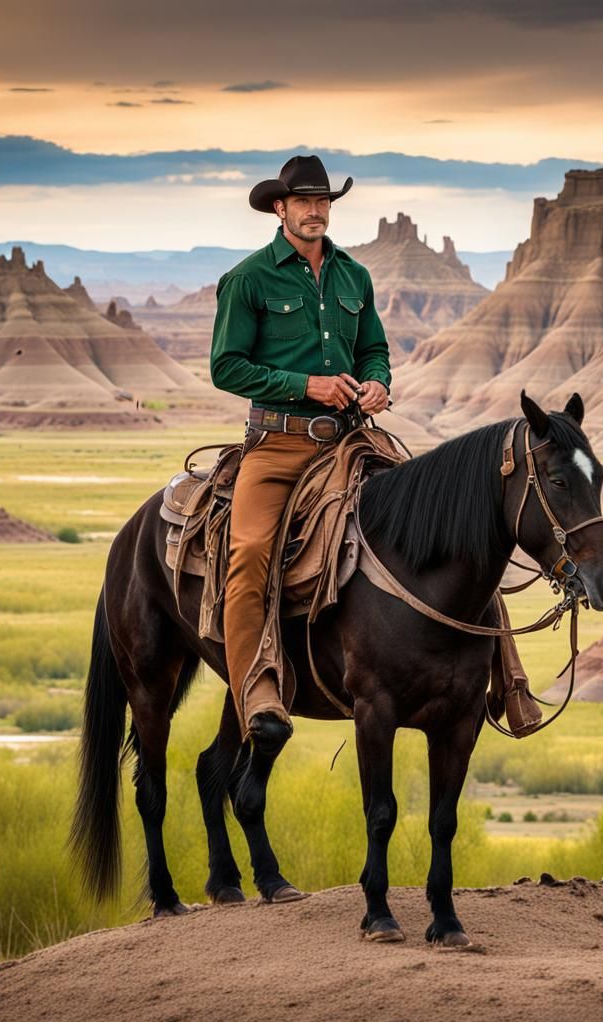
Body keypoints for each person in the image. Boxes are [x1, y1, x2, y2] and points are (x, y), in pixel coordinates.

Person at [210, 154, 392, 751]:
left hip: (350, 440)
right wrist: (305, 386)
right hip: (280, 445)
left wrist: (377, 382)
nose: (316, 211)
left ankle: (501, 679)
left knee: (444, 519)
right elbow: (225, 366)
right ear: (280, 208)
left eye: (324, 201)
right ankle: (257, 690)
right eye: (304, 201)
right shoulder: (250, 279)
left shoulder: (353, 276)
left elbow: (373, 349)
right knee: (252, 553)